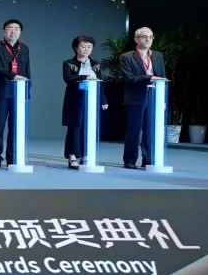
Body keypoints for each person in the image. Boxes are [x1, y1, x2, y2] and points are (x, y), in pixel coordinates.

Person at [120, 27, 167, 169]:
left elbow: (162, 77)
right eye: (144, 37)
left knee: (151, 130)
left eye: (150, 37)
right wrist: (149, 77)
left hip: (154, 96)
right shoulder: (127, 57)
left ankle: (148, 159)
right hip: (136, 96)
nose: (148, 40)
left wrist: (163, 99)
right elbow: (129, 78)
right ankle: (129, 160)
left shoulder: (158, 56)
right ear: (136, 39)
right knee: (133, 131)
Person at [61, 35, 109, 169]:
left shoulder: (96, 64)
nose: (86, 49)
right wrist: (85, 77)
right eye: (83, 46)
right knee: (74, 127)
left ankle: (85, 154)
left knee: (89, 127)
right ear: (76, 48)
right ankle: (72, 156)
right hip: (75, 100)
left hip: (91, 99)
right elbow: (67, 78)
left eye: (89, 46)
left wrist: (103, 100)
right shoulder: (68, 63)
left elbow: (100, 83)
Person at [0, 18, 31, 168]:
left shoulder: (24, 48)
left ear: (20, 32)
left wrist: (27, 93)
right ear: (4, 30)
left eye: (17, 29)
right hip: (1, 92)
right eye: (10, 28)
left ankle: (12, 157)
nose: (13, 31)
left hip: (18, 93)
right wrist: (14, 76)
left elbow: (27, 71)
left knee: (15, 127)